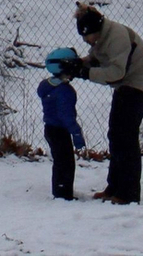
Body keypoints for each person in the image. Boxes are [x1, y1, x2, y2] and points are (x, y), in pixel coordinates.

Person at [61, 1, 143, 205]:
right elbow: (96, 59)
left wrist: (84, 73)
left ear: (93, 29)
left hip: (137, 82)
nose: (86, 40)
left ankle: (128, 194)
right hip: (126, 83)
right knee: (115, 135)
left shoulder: (116, 37)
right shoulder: (103, 37)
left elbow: (116, 73)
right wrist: (79, 64)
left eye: (85, 35)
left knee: (126, 137)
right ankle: (114, 187)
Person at [37, 47, 86, 200]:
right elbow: (66, 116)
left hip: (50, 128)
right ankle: (63, 194)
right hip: (60, 130)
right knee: (66, 163)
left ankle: (60, 190)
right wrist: (76, 133)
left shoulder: (48, 85)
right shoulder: (64, 91)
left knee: (59, 160)